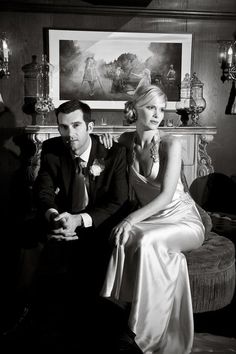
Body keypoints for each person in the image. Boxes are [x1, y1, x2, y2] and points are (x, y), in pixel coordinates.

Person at [2, 99, 132, 353]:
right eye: (63, 127)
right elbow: (43, 190)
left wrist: (79, 220)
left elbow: (118, 201)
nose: (69, 134)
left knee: (86, 268)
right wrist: (54, 216)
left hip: (97, 224)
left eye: (76, 126)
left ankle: (98, 329)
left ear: (90, 126)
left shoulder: (114, 153)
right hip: (62, 219)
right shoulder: (52, 148)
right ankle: (19, 314)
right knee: (23, 235)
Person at [100, 85, 205, 354]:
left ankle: (141, 335)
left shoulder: (171, 143)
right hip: (153, 220)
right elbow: (104, 165)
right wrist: (102, 147)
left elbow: (167, 195)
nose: (158, 114)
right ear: (135, 108)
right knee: (127, 236)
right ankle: (117, 309)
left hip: (182, 220)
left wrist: (130, 219)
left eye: (161, 108)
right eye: (150, 107)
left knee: (143, 237)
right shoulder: (125, 141)